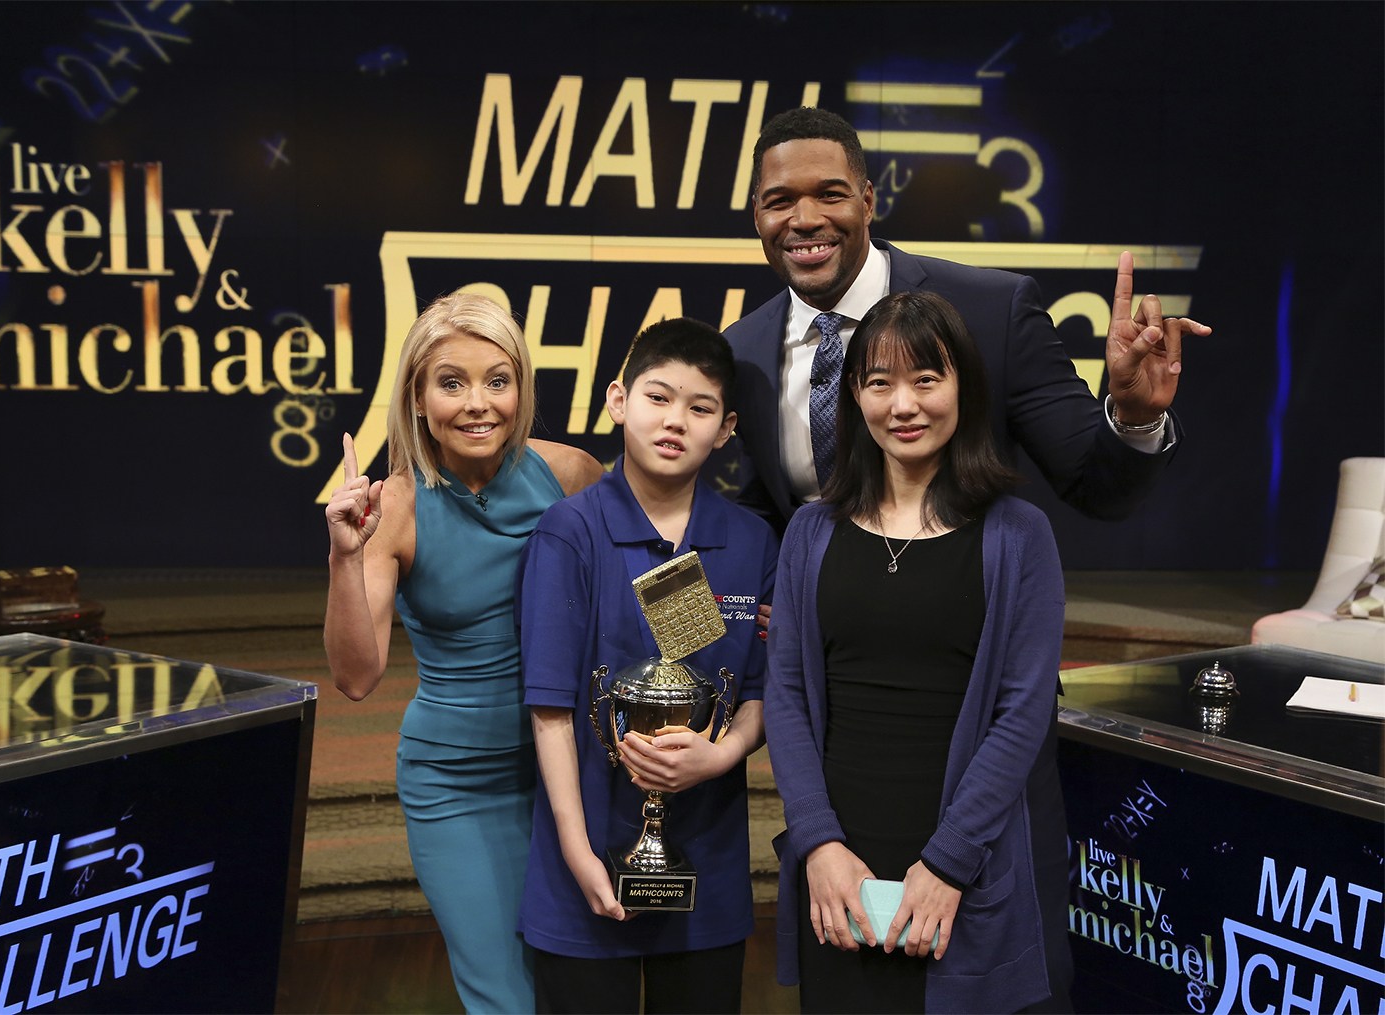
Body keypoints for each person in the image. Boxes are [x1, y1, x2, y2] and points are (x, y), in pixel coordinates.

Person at [763, 291, 1073, 1013]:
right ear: (854, 397)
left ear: (964, 386)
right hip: (841, 859)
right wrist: (820, 843)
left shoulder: (1019, 534)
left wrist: (948, 860)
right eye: (879, 382)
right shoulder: (811, 532)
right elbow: (787, 696)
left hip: (967, 860)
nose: (903, 404)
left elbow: (1023, 711)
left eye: (925, 379)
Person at [726, 105, 1211, 530]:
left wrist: (1137, 417)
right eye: (780, 201)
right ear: (757, 215)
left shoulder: (992, 312)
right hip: (811, 630)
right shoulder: (743, 350)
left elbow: (1098, 491)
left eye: (831, 194)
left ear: (868, 202)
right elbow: (764, 512)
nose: (805, 218)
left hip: (960, 621)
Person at [323, 290, 601, 1013]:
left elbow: (649, 582)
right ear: (418, 396)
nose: (478, 404)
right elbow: (356, 677)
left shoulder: (570, 473)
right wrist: (343, 557)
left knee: (577, 990)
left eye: (497, 380)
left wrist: (730, 624)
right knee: (504, 997)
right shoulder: (395, 509)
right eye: (452, 382)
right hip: (459, 785)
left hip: (573, 772)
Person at [516, 318, 779, 1014]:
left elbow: (756, 694)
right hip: (586, 858)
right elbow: (549, 709)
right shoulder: (570, 531)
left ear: (725, 429)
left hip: (708, 869)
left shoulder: (752, 541)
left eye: (699, 408)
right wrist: (576, 850)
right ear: (618, 400)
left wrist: (719, 758)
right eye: (658, 397)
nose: (674, 421)